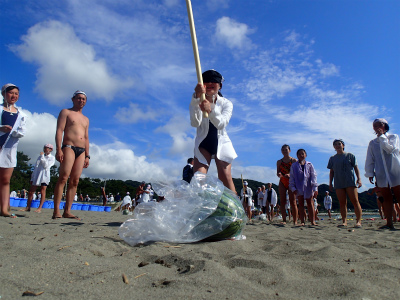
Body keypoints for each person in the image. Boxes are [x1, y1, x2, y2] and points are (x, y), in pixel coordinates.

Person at [190, 70, 237, 192]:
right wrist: (196, 99)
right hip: (203, 143)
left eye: (214, 81)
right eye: (206, 80)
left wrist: (210, 109)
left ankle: (237, 209)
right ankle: (200, 210)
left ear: (220, 85)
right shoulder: (196, 99)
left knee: (225, 177)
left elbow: (221, 124)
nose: (210, 83)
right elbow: (195, 123)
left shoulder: (227, 103)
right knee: (198, 180)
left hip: (221, 142)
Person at [52, 90, 90, 220]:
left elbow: (86, 137)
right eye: (79, 98)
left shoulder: (86, 119)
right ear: (73, 99)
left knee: (75, 181)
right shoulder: (66, 112)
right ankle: (56, 210)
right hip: (68, 146)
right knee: (63, 177)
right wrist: (58, 149)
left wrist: (87, 155)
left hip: (82, 150)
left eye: (83, 99)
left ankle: (67, 211)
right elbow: (59, 130)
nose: (81, 101)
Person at [365, 118, 400, 229]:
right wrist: (370, 172)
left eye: (379, 125)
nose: (377, 127)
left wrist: (382, 137)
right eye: (374, 126)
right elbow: (370, 158)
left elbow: (390, 149)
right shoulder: (372, 143)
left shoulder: (393, 137)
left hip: (395, 170)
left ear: (385, 126)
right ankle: (389, 223)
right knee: (386, 197)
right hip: (381, 173)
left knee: (399, 196)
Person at [0, 83, 27, 218]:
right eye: (11, 93)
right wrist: (1, 128)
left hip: (9, 149)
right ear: (4, 94)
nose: (14, 96)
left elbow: (22, 131)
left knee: (5, 180)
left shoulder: (21, 114)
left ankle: (4, 209)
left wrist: (15, 132)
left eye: (16, 94)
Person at [328, 139, 362, 228]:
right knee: (342, 203)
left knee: (355, 201)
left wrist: (359, 179)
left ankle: (358, 221)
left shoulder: (350, 156)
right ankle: (344, 221)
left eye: (339, 144)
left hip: (350, 181)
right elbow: (331, 171)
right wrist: (330, 183)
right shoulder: (332, 158)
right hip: (338, 182)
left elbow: (356, 168)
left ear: (343, 145)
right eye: (335, 144)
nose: (337, 146)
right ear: (334, 147)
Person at [21, 144, 55, 213]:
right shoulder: (39, 157)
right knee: (31, 191)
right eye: (44, 148)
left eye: (47, 148)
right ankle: (28, 207)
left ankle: (39, 208)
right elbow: (36, 167)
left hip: (44, 175)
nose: (45, 149)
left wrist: (42, 156)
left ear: (50, 149)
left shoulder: (52, 158)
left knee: (42, 191)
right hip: (37, 175)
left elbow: (46, 166)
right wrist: (32, 177)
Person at [289, 149, 318, 226]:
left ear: (306, 155)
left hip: (308, 186)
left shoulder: (309, 164)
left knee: (310, 203)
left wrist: (315, 188)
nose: (301, 155)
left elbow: (313, 176)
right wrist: (293, 188)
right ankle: (302, 221)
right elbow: (292, 178)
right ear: (297, 156)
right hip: (299, 187)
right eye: (299, 154)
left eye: (303, 154)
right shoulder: (294, 165)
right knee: (301, 204)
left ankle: (312, 221)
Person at [277, 144, 298, 225]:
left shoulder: (294, 161)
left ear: (289, 150)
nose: (284, 151)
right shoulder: (279, 162)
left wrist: (290, 174)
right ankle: (284, 219)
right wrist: (279, 174)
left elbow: (297, 172)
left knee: (293, 201)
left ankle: (295, 220)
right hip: (282, 181)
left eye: (286, 149)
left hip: (291, 182)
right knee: (282, 201)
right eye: (283, 150)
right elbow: (277, 172)